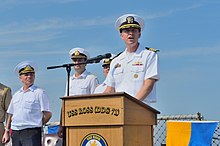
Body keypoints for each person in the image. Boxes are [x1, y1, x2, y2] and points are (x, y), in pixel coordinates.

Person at [104, 14, 160, 105]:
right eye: (127, 31)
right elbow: (110, 89)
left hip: (141, 107)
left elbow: (148, 85)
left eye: (134, 30)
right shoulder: (116, 61)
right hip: (119, 110)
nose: (131, 33)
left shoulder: (149, 55)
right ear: (121, 35)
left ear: (139, 34)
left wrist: (131, 104)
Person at [2, 61, 52, 146]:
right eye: (26, 74)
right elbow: (10, 114)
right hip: (16, 132)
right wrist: (6, 131)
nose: (29, 76)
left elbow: (47, 114)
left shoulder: (39, 93)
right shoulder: (16, 95)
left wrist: (38, 123)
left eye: (31, 74)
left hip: (31, 132)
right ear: (20, 78)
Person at [58, 47, 99, 138]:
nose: (77, 62)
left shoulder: (91, 78)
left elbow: (96, 103)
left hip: (85, 121)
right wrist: (61, 124)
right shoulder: (70, 79)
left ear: (85, 62)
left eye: (80, 60)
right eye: (75, 60)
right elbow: (65, 103)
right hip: (70, 120)